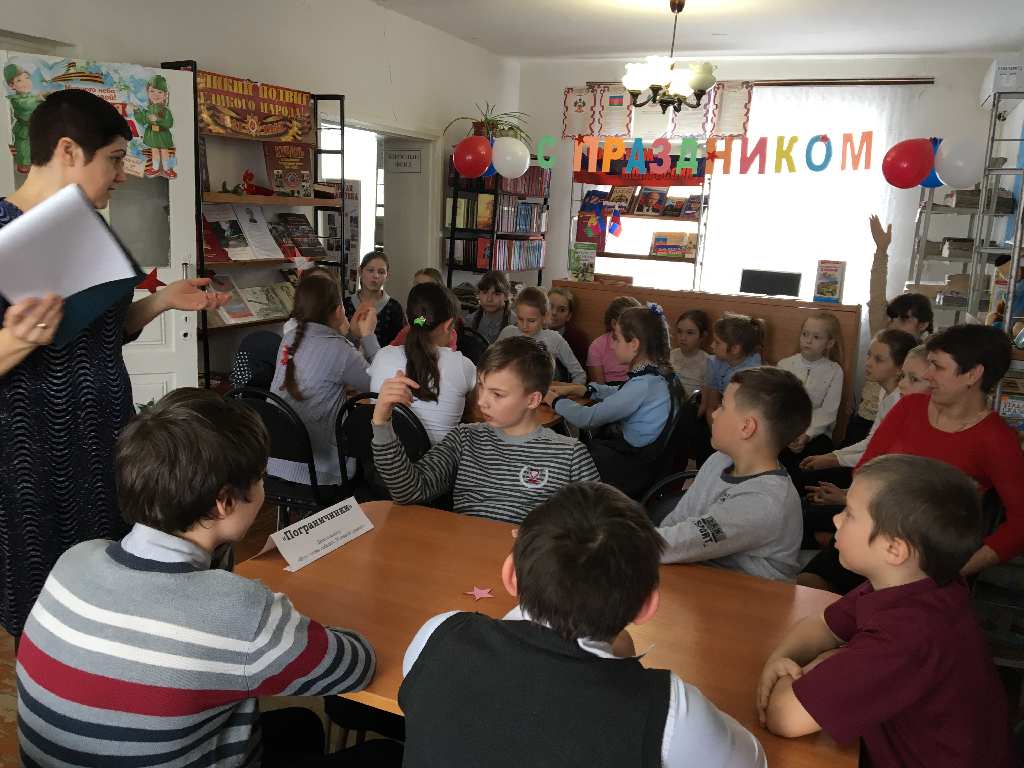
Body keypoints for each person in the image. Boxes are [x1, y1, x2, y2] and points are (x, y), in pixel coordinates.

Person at [15, 389, 401, 767]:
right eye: (261, 478)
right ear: (224, 502)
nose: (264, 489)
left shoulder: (76, 558)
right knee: (385, 755)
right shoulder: (239, 612)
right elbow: (356, 664)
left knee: (299, 726)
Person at [0, 89, 227, 647]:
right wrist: (15, 340)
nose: (122, 175)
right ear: (68, 151)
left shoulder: (85, 227)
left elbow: (101, 331)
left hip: (108, 444)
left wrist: (162, 301)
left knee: (116, 587)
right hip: (33, 461)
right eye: (115, 159)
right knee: (46, 609)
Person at [400, 481, 768, 768]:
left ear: (511, 574)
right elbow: (754, 761)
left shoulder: (439, 635)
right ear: (646, 607)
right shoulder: (670, 712)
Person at [757, 455, 1015, 768]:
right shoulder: (920, 585)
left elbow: (784, 716)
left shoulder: (909, 635)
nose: (836, 520)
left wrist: (814, 666)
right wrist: (779, 661)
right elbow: (822, 625)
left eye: (850, 514)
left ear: (894, 549)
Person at [801, 324, 1024, 592]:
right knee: (806, 587)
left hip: (924, 561)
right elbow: (864, 471)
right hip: (872, 536)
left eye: (937, 367)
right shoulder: (909, 407)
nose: (928, 375)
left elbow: (1019, 524)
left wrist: (957, 570)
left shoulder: (996, 438)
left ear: (972, 374)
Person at [371, 336, 599, 524]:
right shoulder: (465, 438)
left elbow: (599, 529)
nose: (481, 402)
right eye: (481, 386)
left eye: (497, 394)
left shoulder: (570, 455)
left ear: (533, 400)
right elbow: (408, 491)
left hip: (529, 560)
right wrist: (382, 421)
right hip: (466, 555)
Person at [657, 367, 810, 581]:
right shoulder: (719, 460)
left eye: (722, 406)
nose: (713, 413)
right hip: (701, 581)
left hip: (751, 598)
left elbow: (674, 544)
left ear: (746, 427)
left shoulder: (766, 501)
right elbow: (676, 523)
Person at [547, 304, 679, 497]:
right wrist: (585, 390)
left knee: (568, 456)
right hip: (647, 460)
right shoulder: (660, 375)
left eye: (616, 338)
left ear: (634, 344)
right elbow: (622, 392)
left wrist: (553, 400)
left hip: (632, 467)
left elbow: (587, 418)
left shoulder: (643, 384)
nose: (612, 344)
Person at [268, 271, 378, 488]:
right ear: (338, 311)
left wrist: (352, 336)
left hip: (277, 463)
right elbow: (377, 384)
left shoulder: (289, 338)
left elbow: (328, 361)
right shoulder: (339, 348)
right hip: (322, 473)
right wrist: (368, 337)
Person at [846, 215, 933, 444]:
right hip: (867, 417)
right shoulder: (883, 332)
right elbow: (877, 295)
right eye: (893, 317)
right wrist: (881, 250)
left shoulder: (929, 353)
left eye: (904, 319)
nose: (894, 323)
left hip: (903, 424)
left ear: (923, 324)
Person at [799, 330, 919, 479]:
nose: (868, 363)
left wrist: (834, 460)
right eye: (869, 355)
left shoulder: (899, 400)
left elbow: (883, 452)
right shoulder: (884, 392)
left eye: (878, 360)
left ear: (900, 368)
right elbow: (873, 440)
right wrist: (832, 455)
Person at [370, 282, 477, 444]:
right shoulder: (463, 366)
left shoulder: (382, 355)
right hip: (440, 459)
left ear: (408, 320)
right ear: (449, 325)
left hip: (382, 453)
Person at [776, 312, 844, 471]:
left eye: (816, 337)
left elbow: (828, 412)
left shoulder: (834, 371)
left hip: (816, 434)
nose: (808, 340)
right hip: (785, 429)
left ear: (829, 343)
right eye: (805, 334)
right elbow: (777, 404)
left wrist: (807, 434)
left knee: (812, 463)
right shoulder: (784, 365)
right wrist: (789, 432)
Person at [497, 287, 586, 384]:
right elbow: (490, 364)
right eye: (520, 319)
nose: (524, 326)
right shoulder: (508, 333)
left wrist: (566, 391)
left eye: (531, 321)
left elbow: (580, 375)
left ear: (545, 317)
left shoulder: (554, 339)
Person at [343, 249, 405, 347]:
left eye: (381, 272)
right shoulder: (345, 304)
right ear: (360, 271)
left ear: (387, 275)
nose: (376, 276)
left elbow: (398, 345)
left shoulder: (394, 307)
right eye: (370, 270)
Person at [587, 295, 641, 384]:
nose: (635, 328)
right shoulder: (597, 346)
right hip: (606, 389)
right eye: (630, 324)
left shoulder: (639, 343)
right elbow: (599, 385)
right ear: (614, 324)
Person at [670, 309, 710, 397]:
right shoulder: (671, 355)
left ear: (702, 336)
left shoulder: (707, 362)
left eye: (690, 333)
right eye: (679, 331)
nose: (683, 338)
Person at [547, 286, 590, 366]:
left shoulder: (577, 340)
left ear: (569, 316)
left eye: (562, 310)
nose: (554, 313)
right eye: (550, 306)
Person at [464, 269, 511, 344]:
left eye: (496, 294)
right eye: (485, 292)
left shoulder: (516, 323)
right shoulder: (469, 321)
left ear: (506, 296)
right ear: (478, 294)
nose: (489, 299)